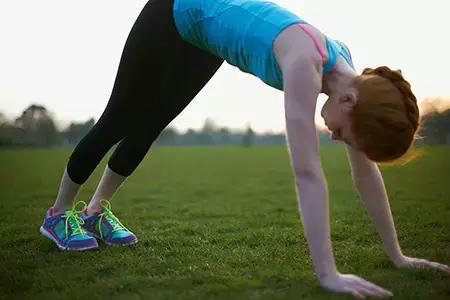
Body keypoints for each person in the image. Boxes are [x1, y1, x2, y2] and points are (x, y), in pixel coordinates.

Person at [40, 0, 450, 298]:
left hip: (203, 41)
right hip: (173, 13)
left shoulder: (346, 75)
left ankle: (95, 213)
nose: (337, 138)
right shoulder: (305, 63)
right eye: (346, 133)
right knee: (120, 119)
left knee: (149, 126)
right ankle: (58, 215)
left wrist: (398, 255)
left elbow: (365, 174)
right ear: (350, 104)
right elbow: (307, 173)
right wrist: (328, 273)